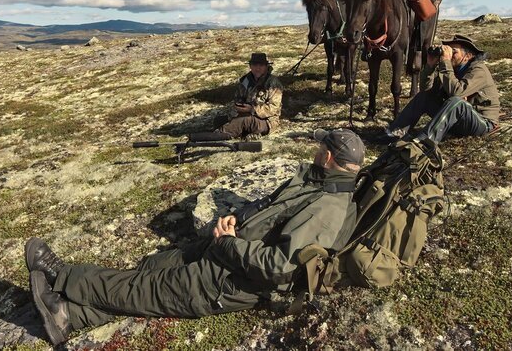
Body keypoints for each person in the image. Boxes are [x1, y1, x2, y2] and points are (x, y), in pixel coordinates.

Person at [24, 128, 366, 345]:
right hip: (226, 251)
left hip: (233, 280)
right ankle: (68, 315)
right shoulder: (317, 181)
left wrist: (230, 242)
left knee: (145, 288)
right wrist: (237, 219)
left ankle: (62, 275)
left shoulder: (327, 209)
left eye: (320, 146)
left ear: (328, 156)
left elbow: (280, 267)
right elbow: (271, 210)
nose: (315, 150)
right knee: (151, 268)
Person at [383, 34, 499, 143]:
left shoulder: (479, 70)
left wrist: (445, 62)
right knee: (424, 97)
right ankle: (394, 133)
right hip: (455, 120)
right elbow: (426, 90)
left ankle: (425, 142)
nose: (449, 55)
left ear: (467, 56)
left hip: (482, 122)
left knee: (456, 101)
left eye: (454, 52)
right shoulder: (450, 69)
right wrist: (430, 66)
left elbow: (457, 93)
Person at [214, 52, 283, 138]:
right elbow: (238, 97)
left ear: (266, 66)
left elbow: (273, 108)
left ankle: (219, 135)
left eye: (261, 65)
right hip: (245, 114)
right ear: (250, 66)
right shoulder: (246, 80)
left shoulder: (273, 83)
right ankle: (238, 132)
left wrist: (252, 109)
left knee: (245, 121)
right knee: (219, 120)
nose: (258, 68)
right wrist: (239, 106)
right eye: (255, 65)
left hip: (267, 121)